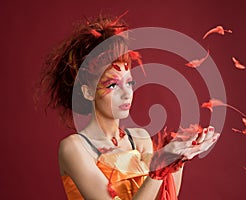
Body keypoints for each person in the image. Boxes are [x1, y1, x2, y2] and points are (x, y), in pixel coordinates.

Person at [39, 13, 220, 200]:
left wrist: (177, 160)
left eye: (130, 83)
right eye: (112, 85)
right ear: (87, 92)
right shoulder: (74, 148)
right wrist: (159, 169)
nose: (127, 93)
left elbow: (165, 198)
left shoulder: (139, 139)